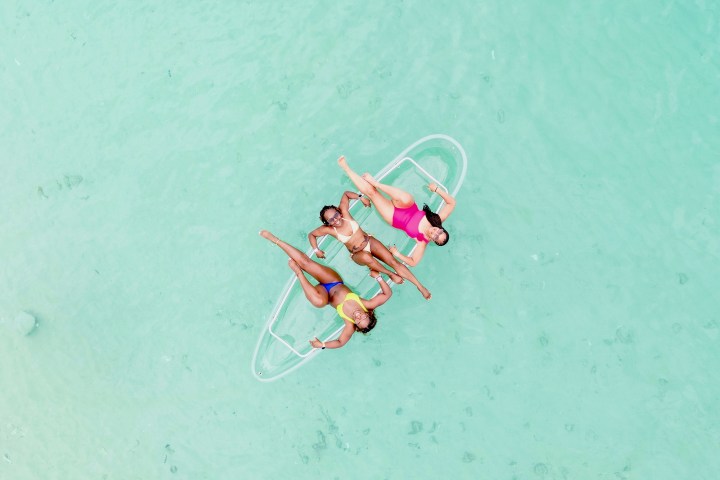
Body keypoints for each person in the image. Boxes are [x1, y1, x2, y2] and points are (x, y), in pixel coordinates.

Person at [259, 230, 392, 350]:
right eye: (362, 316)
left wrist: (322, 345)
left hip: (324, 295)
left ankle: (298, 272)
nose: (357, 316)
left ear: (356, 325)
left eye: (357, 321)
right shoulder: (367, 305)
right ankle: (275, 240)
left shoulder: (349, 324)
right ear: (368, 314)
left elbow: (340, 342)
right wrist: (379, 278)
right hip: (333, 281)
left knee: (319, 303)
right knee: (306, 262)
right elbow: (387, 294)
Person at [308, 191, 432, 299]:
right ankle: (391, 274)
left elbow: (346, 194)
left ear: (338, 211)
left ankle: (420, 286)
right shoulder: (329, 230)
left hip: (368, 241)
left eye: (336, 215)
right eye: (331, 220)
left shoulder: (345, 213)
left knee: (393, 262)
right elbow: (312, 235)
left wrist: (361, 197)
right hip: (357, 254)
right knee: (368, 258)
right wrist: (316, 250)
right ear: (327, 223)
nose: (336, 220)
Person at [337, 155, 456, 267]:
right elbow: (452, 203)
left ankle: (346, 168)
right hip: (406, 205)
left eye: (436, 237)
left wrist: (397, 254)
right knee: (407, 198)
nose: (435, 233)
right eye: (440, 232)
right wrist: (436, 189)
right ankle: (375, 183)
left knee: (372, 193)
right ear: (441, 229)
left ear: (433, 240)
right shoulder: (437, 220)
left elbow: (413, 262)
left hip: (394, 216)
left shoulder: (422, 242)